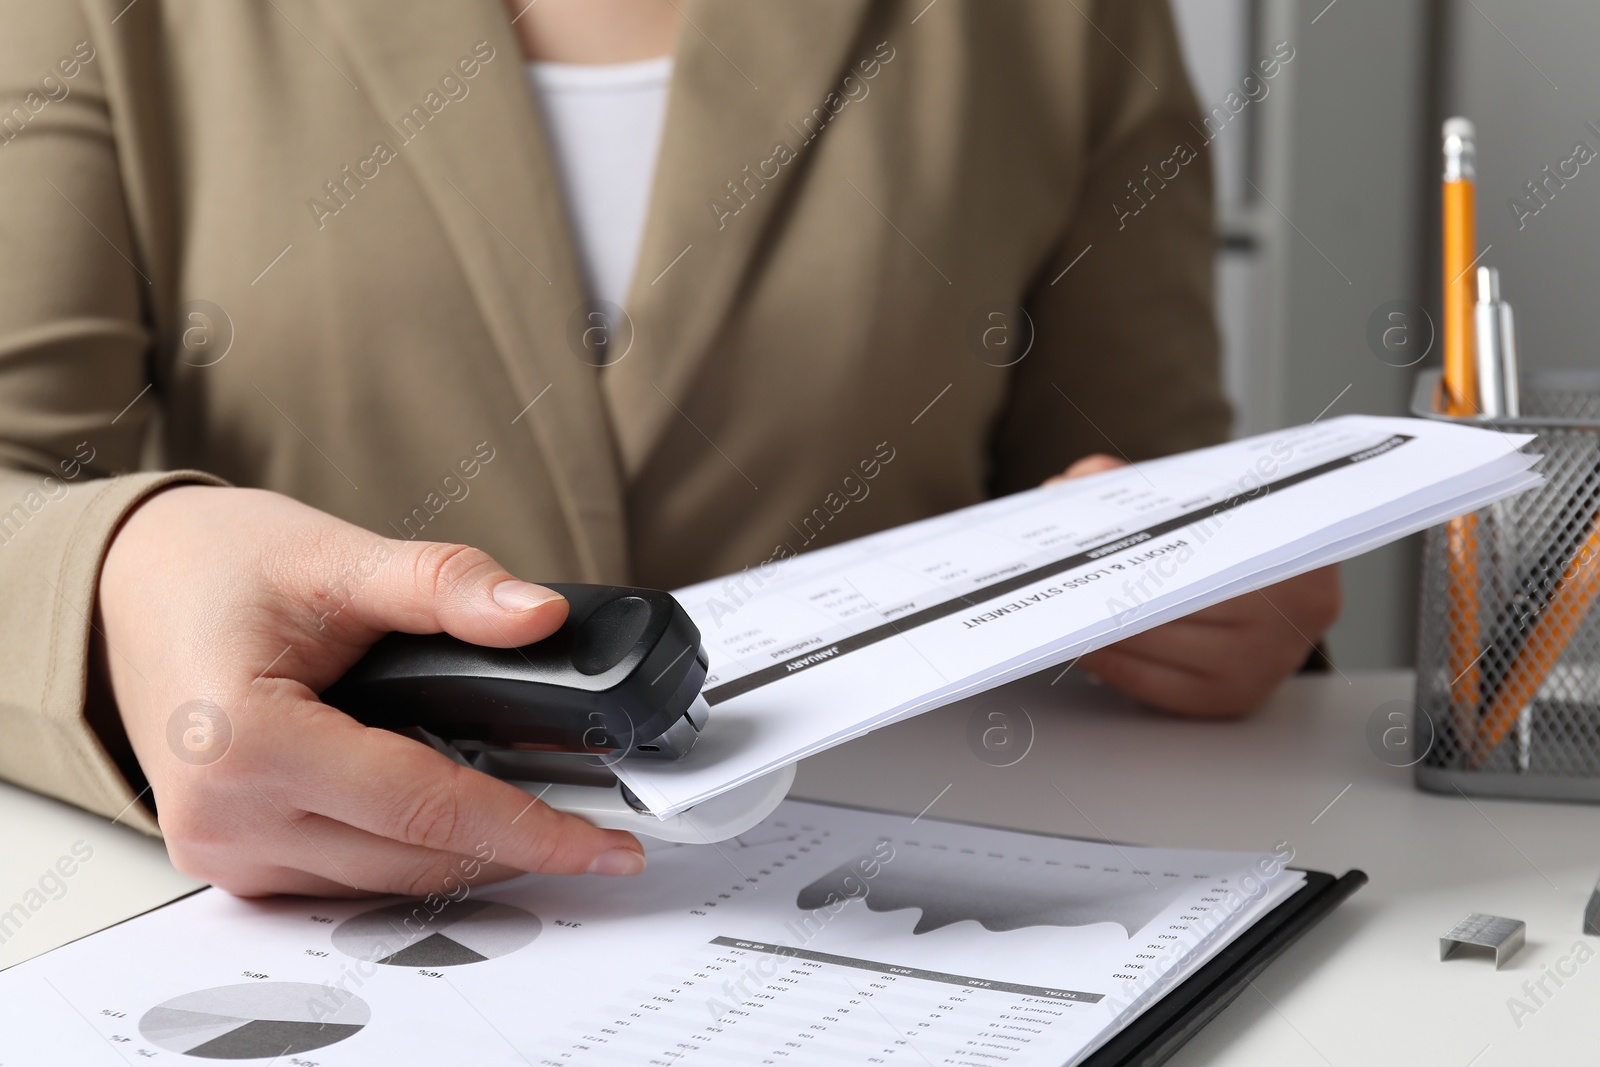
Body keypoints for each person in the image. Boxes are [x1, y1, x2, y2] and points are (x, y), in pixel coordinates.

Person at [0, 0, 1339, 898]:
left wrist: (1219, 596)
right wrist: (117, 575)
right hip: (294, 932)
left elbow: (1150, 482)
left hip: (892, 913)